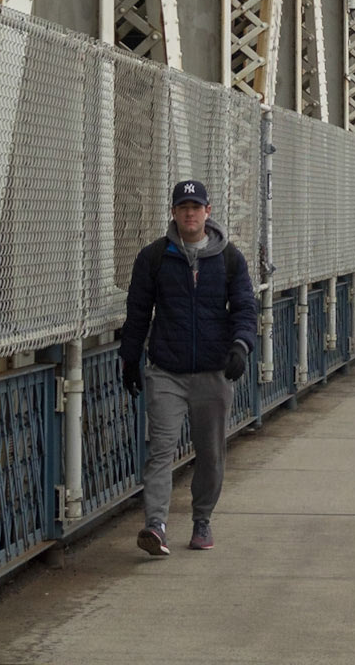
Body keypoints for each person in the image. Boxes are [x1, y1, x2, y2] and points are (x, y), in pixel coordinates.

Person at [120, 179, 257, 557]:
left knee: (210, 453)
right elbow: (137, 312)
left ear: (208, 212)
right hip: (167, 370)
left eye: (196, 207)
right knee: (161, 450)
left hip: (213, 371)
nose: (190, 214)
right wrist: (130, 358)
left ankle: (202, 520)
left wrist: (241, 346)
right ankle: (156, 526)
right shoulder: (154, 257)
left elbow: (245, 308)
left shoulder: (229, 258)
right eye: (183, 207)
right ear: (174, 212)